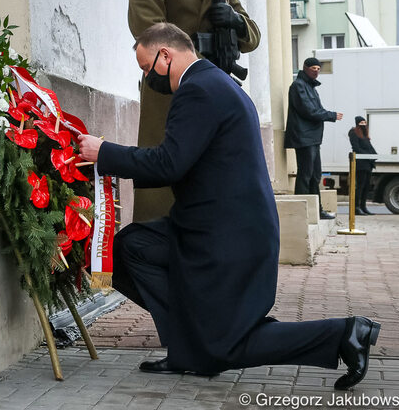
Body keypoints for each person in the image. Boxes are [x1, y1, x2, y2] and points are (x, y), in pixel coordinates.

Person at [76, 23, 379, 389]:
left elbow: (170, 162)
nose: (146, 78)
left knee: (226, 346)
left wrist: (103, 152)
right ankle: (190, 348)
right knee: (129, 248)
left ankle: (345, 334)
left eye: (146, 68)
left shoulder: (199, 90)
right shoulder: (213, 83)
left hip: (229, 242)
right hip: (208, 229)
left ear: (166, 55)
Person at [126, 0, 261, 222]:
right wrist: (202, 49)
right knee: (166, 183)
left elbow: (253, 36)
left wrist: (234, 21)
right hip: (171, 91)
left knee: (215, 176)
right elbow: (150, 33)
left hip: (215, 88)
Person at [286, 56, 344, 219]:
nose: (316, 72)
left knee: (315, 175)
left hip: (312, 138)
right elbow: (308, 111)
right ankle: (301, 213)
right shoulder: (298, 86)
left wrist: (327, 115)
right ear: (305, 68)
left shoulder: (310, 87)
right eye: (313, 69)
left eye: (318, 69)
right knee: (306, 174)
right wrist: (331, 115)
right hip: (304, 138)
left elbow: (313, 110)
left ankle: (316, 211)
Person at [348, 116, 377, 215]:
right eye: (361, 123)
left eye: (365, 122)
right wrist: (367, 156)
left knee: (366, 186)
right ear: (357, 124)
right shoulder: (354, 133)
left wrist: (374, 155)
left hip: (368, 164)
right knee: (360, 186)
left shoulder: (365, 135)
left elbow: (370, 147)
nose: (364, 125)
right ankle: (356, 207)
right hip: (361, 164)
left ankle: (363, 206)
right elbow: (356, 147)